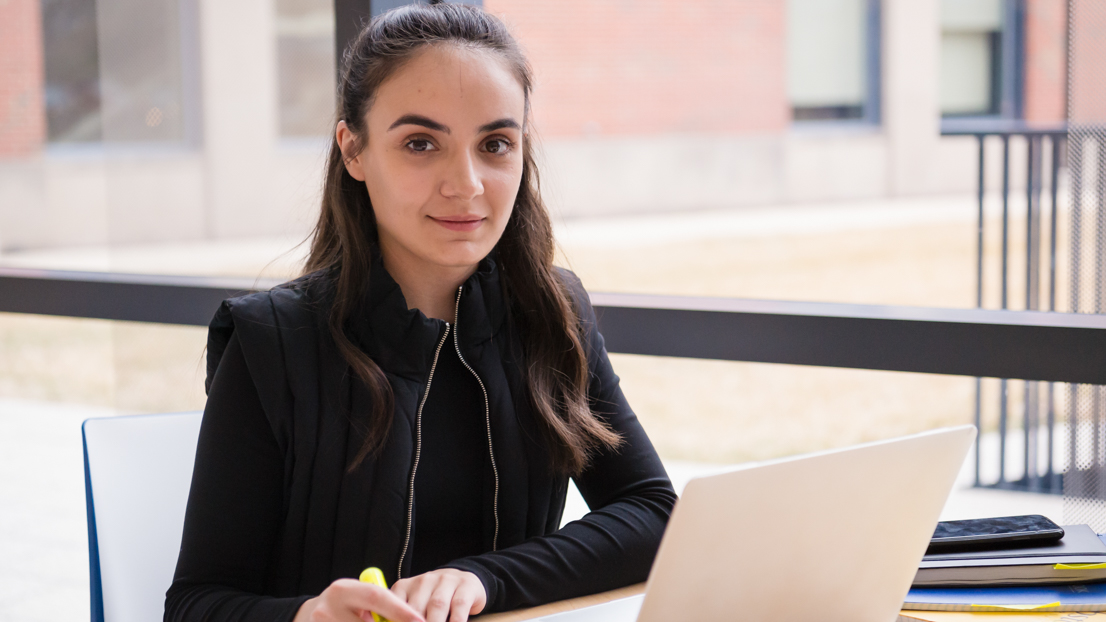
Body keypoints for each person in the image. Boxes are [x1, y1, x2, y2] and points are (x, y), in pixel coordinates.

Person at [164, 4, 677, 622]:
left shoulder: (551, 312)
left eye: (495, 144)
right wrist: (307, 615)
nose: (465, 183)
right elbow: (196, 604)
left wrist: (485, 579)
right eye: (420, 143)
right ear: (353, 151)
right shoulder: (270, 342)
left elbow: (652, 512)